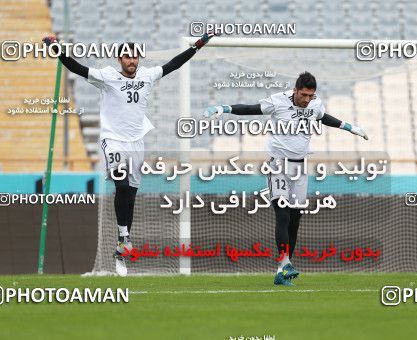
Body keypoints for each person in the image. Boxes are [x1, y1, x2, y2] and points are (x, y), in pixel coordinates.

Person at [42, 33, 215, 276]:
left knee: (130, 194)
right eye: (126, 56)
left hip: (136, 144)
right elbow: (76, 67)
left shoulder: (147, 75)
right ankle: (124, 237)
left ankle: (123, 245)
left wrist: (198, 45)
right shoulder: (107, 77)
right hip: (113, 141)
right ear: (119, 59)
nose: (131, 60)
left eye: (134, 56)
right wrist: (56, 49)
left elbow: (174, 63)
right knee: (122, 185)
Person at [204, 71, 368, 285]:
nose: (307, 100)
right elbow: (252, 109)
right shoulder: (278, 101)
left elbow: (323, 117)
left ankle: (282, 269)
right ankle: (285, 263)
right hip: (278, 164)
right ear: (295, 91)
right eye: (303, 95)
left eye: (311, 96)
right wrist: (223, 108)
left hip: (300, 167)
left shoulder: (315, 104)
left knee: (295, 218)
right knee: (282, 212)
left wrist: (350, 127)